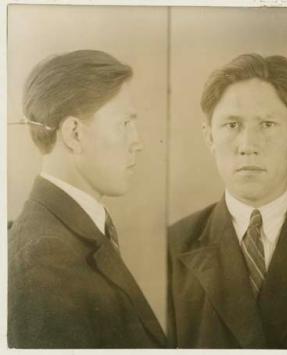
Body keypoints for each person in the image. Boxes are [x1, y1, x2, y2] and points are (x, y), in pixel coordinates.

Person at [167, 53, 287, 349]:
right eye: (232, 125)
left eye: (267, 124)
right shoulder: (173, 246)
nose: (248, 146)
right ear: (209, 138)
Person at [8, 50, 167, 348]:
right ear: (74, 134)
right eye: (124, 123)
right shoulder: (42, 263)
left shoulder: (65, 233)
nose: (139, 142)